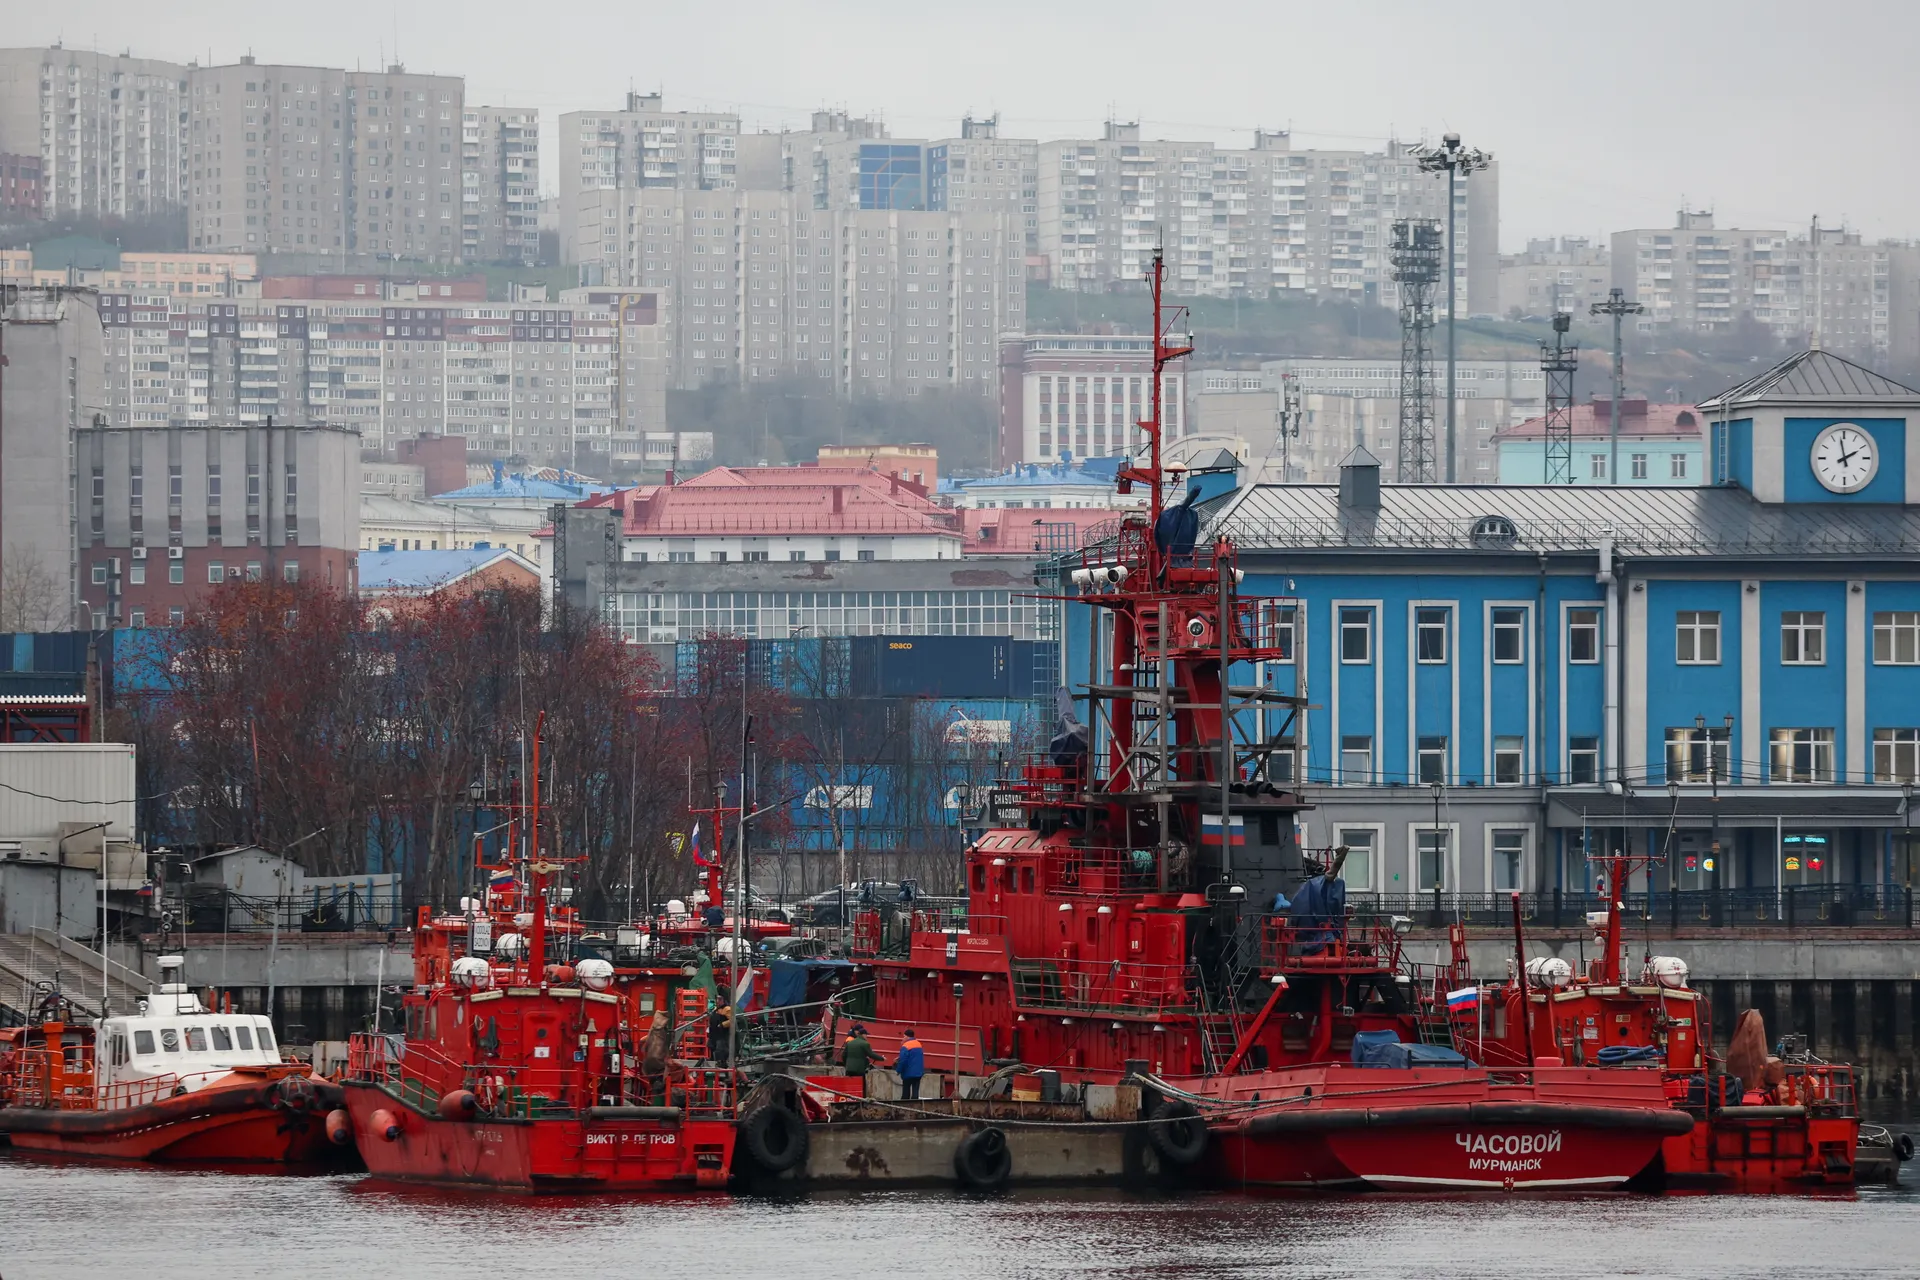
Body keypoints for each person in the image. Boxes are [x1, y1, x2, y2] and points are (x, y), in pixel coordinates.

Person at [895, 1027, 926, 1100]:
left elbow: (903, 1060)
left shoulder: (906, 1046)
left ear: (907, 1036)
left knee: (905, 1094)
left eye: (904, 1036)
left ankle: (904, 1106)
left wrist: (898, 1070)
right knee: (915, 1094)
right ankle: (915, 1105)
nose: (903, 1038)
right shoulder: (918, 1044)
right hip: (918, 1073)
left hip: (908, 1073)